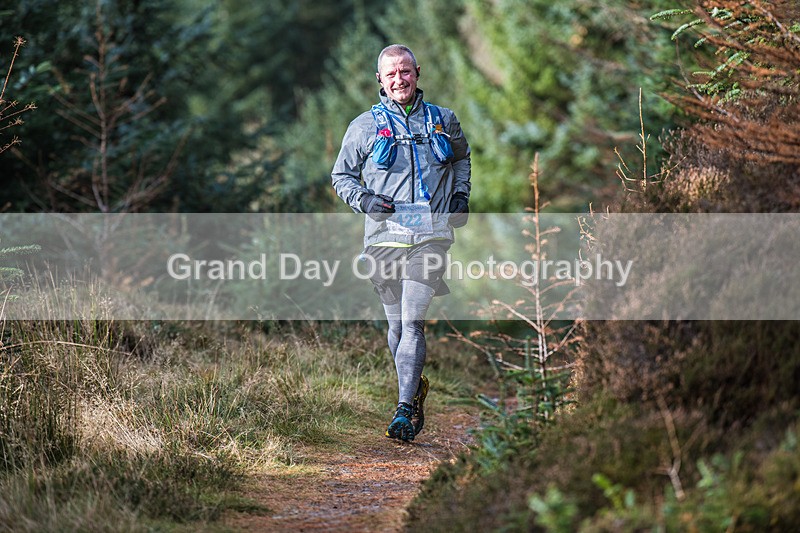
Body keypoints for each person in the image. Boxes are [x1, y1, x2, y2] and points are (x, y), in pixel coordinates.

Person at [331, 44, 471, 442]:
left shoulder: (443, 119)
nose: (399, 80)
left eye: (405, 72)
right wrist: (364, 200)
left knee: (412, 320)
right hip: (384, 238)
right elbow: (341, 176)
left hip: (430, 234)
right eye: (391, 74)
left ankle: (404, 410)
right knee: (395, 326)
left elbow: (462, 158)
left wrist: (461, 195)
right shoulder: (363, 126)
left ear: (417, 73)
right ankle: (413, 390)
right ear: (379, 79)